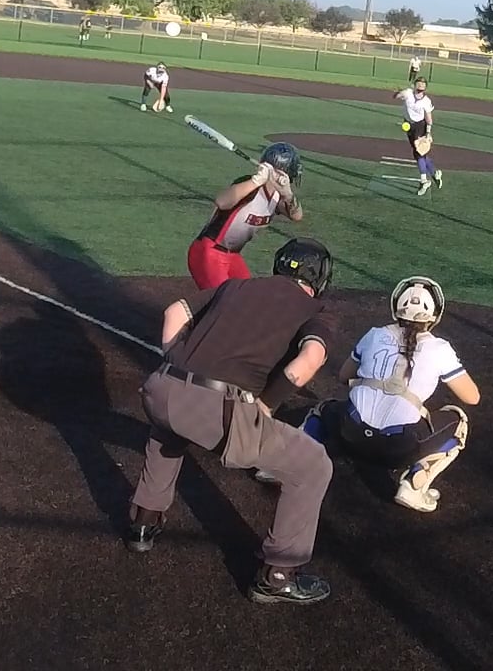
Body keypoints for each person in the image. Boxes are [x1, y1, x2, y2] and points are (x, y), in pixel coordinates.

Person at [126, 238, 341, 605]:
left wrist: (176, 364)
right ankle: (278, 575)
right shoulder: (315, 309)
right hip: (218, 406)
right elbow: (307, 363)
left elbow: (174, 312)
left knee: (169, 431)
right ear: (319, 278)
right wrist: (267, 405)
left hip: (160, 389)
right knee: (313, 464)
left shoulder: (236, 286)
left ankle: (143, 522)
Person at [298, 276, 479, 513]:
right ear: (434, 315)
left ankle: (288, 463)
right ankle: (413, 485)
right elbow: (472, 397)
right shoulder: (439, 348)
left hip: (348, 435)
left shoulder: (374, 334)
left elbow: (344, 376)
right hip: (398, 449)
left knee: (324, 409)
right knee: (457, 421)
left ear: (396, 307)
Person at [188, 143, 303, 289]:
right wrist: (256, 181)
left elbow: (297, 216)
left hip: (232, 255)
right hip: (209, 252)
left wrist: (288, 195)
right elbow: (222, 202)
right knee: (224, 299)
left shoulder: (277, 196)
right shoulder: (248, 186)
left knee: (247, 296)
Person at [393, 78, 442, 195]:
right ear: (414, 85)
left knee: (419, 152)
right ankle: (434, 173)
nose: (420, 86)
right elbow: (396, 96)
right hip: (409, 126)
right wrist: (398, 93)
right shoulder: (408, 93)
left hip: (420, 126)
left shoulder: (426, 101)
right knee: (419, 153)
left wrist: (428, 133)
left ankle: (424, 181)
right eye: (419, 84)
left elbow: (429, 118)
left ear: (425, 88)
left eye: (423, 84)